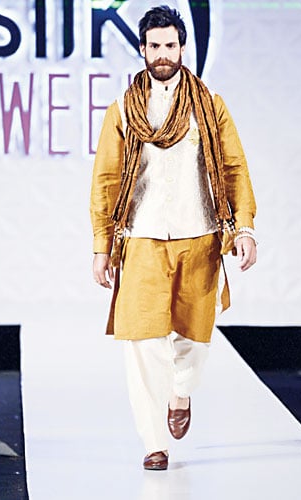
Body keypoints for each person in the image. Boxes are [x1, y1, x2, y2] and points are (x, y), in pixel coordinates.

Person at [89, 5, 257, 471]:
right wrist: (102, 247)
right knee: (142, 342)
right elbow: (106, 179)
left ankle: (181, 391)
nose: (162, 54)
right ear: (142, 49)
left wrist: (244, 228)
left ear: (182, 48)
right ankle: (154, 442)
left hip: (199, 233)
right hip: (141, 236)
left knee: (193, 338)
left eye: (170, 45)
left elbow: (233, 166)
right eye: (154, 46)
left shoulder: (210, 104)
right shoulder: (124, 108)